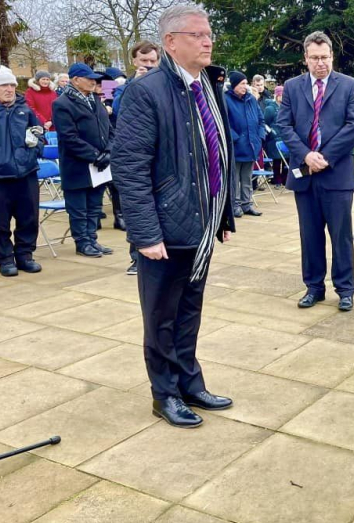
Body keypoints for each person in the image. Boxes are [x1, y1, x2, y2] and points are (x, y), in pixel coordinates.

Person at [112, 4, 236, 428]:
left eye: (209, 34)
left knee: (189, 311)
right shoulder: (145, 92)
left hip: (200, 226)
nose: (208, 41)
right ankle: (164, 394)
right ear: (170, 42)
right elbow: (129, 167)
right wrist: (145, 233)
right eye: (198, 35)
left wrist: (222, 217)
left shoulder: (206, 85)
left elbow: (213, 155)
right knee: (161, 317)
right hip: (163, 229)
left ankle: (189, 382)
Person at [276, 31, 354, 312]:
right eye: (314, 58)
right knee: (309, 235)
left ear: (332, 56)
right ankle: (314, 287)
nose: (320, 63)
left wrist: (324, 157)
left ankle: (345, 289)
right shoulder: (292, 87)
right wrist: (306, 155)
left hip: (336, 174)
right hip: (305, 175)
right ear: (306, 58)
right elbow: (284, 125)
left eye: (325, 57)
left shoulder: (349, 86)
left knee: (340, 236)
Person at [110, 40, 161, 276]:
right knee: (137, 206)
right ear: (134, 61)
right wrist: (135, 83)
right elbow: (119, 110)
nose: (149, 65)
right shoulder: (124, 86)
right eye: (144, 61)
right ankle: (135, 257)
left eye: (153, 61)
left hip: (158, 155)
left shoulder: (163, 83)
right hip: (134, 152)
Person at [52, 63, 112, 258]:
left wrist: (109, 151)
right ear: (76, 80)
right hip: (78, 165)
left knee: (95, 205)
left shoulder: (95, 99)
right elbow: (69, 137)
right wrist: (95, 155)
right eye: (89, 78)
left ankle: (92, 239)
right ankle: (82, 242)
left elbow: (108, 129)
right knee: (78, 208)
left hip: (100, 165)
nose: (94, 81)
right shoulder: (62, 103)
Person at [0, 65, 44, 277]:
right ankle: (5, 258)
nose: (9, 89)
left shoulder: (24, 110)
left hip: (26, 173)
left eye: (11, 84)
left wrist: (36, 147)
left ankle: (25, 255)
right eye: (4, 85)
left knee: (29, 217)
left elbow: (39, 135)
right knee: (0, 221)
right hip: (1, 177)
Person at [225, 71, 265, 217]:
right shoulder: (226, 99)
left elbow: (261, 120)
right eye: (242, 83)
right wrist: (236, 138)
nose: (246, 86)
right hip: (236, 146)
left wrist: (260, 136)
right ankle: (235, 205)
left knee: (247, 177)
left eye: (246, 83)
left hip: (251, 145)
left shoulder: (251, 100)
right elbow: (224, 123)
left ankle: (246, 204)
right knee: (235, 177)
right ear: (234, 85)